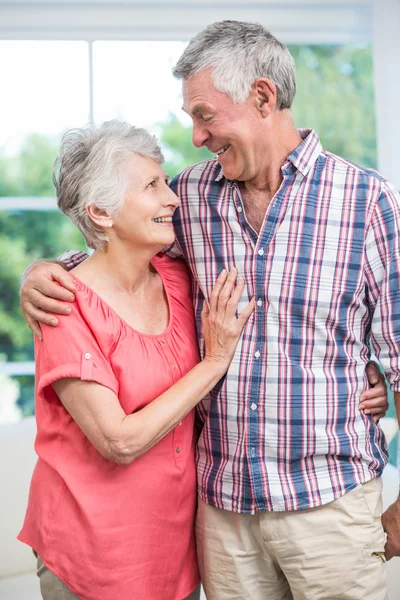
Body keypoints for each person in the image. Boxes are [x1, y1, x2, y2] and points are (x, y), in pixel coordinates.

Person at [20, 20, 398, 600]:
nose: (195, 137)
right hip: (223, 518)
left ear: (263, 97)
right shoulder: (194, 196)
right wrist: (44, 271)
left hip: (330, 508)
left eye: (204, 115)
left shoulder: (367, 202)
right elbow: (116, 241)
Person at [17, 120, 254, 600]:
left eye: (164, 181)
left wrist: (363, 380)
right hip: (90, 550)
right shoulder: (64, 306)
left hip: (174, 547)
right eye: (151, 186)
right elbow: (119, 441)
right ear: (101, 212)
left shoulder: (179, 277)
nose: (172, 198)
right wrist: (214, 362)